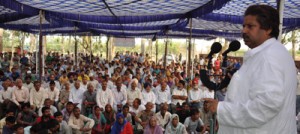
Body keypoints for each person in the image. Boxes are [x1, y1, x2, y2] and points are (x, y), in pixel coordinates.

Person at [203, 5, 297, 134]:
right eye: (243, 26)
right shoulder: (269, 53)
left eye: (250, 26)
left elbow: (265, 107)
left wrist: (222, 109)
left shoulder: (269, 57)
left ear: (268, 29)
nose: (244, 31)